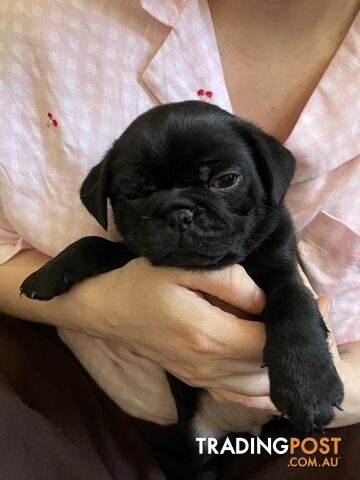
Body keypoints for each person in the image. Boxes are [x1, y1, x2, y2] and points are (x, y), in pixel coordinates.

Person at [0, 0, 359, 478]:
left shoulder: (269, 233)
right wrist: (95, 301)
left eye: (222, 181)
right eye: (140, 193)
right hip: (112, 405)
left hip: (311, 432)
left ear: (269, 177)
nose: (182, 216)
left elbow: (287, 292)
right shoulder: (36, 21)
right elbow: (113, 257)